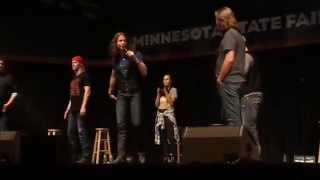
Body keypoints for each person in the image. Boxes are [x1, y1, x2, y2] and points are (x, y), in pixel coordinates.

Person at [108, 32, 148, 164]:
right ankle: (121, 156)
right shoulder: (115, 58)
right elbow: (113, 74)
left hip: (134, 93)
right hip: (121, 94)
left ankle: (140, 152)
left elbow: (144, 72)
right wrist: (110, 89)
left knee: (136, 124)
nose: (122, 43)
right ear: (116, 43)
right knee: (121, 125)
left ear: (127, 42)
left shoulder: (135, 53)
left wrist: (135, 59)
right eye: (120, 41)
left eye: (124, 40)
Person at [214, 7, 246, 126]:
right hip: (236, 81)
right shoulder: (237, 34)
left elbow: (230, 58)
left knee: (233, 120)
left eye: (217, 20)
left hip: (229, 81)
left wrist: (220, 78)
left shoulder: (230, 34)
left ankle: (236, 144)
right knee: (230, 117)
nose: (216, 23)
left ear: (222, 20)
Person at [64, 55, 91, 164]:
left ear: (80, 63)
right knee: (70, 132)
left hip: (80, 108)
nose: (72, 64)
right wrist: (67, 109)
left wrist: (83, 106)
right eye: (72, 62)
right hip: (72, 110)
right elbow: (72, 96)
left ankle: (86, 156)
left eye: (74, 62)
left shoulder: (85, 76)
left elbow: (88, 91)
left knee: (81, 132)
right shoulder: (74, 78)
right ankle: (75, 156)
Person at [240, 41, 263, 159]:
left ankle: (255, 155)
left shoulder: (247, 56)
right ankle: (252, 155)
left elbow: (242, 73)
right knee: (247, 126)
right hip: (250, 96)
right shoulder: (247, 56)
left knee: (248, 126)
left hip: (251, 96)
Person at [154, 74, 179, 163]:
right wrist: (158, 94)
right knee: (163, 137)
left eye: (167, 79)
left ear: (170, 80)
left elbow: (171, 103)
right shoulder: (160, 92)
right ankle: (166, 156)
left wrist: (165, 91)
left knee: (171, 137)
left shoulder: (173, 90)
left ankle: (174, 156)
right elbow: (156, 105)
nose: (165, 81)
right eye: (164, 79)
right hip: (160, 115)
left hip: (169, 115)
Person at [0, 59, 18, 131]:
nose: (0, 65)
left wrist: (7, 104)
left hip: (3, 108)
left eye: (1, 64)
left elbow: (14, 92)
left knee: (2, 130)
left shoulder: (9, 77)